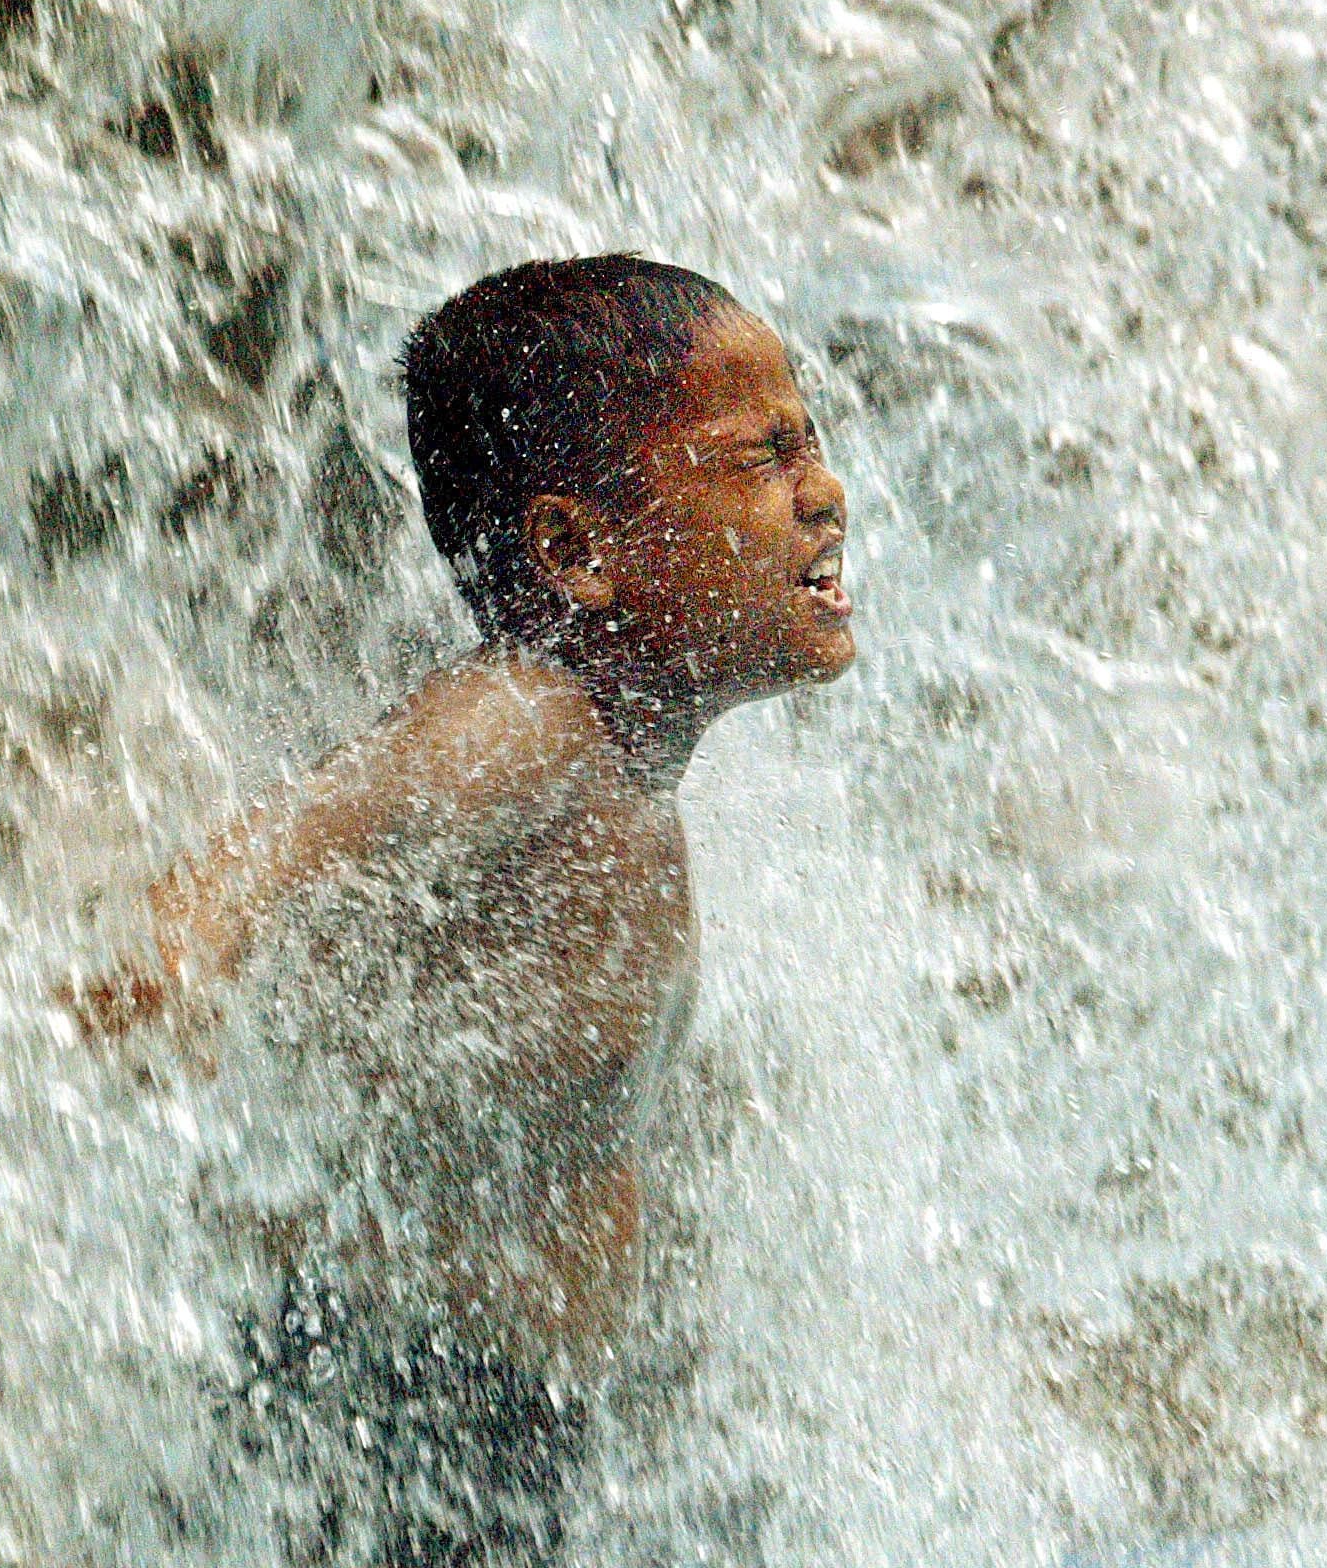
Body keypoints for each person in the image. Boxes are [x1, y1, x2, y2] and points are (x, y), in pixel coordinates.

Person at [71, 254, 854, 1566]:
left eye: (811, 443)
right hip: (391, 1415)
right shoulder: (529, 720)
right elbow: (285, 841)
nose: (823, 492)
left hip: (482, 1428)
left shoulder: (621, 768)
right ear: (577, 552)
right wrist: (184, 951)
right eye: (761, 458)